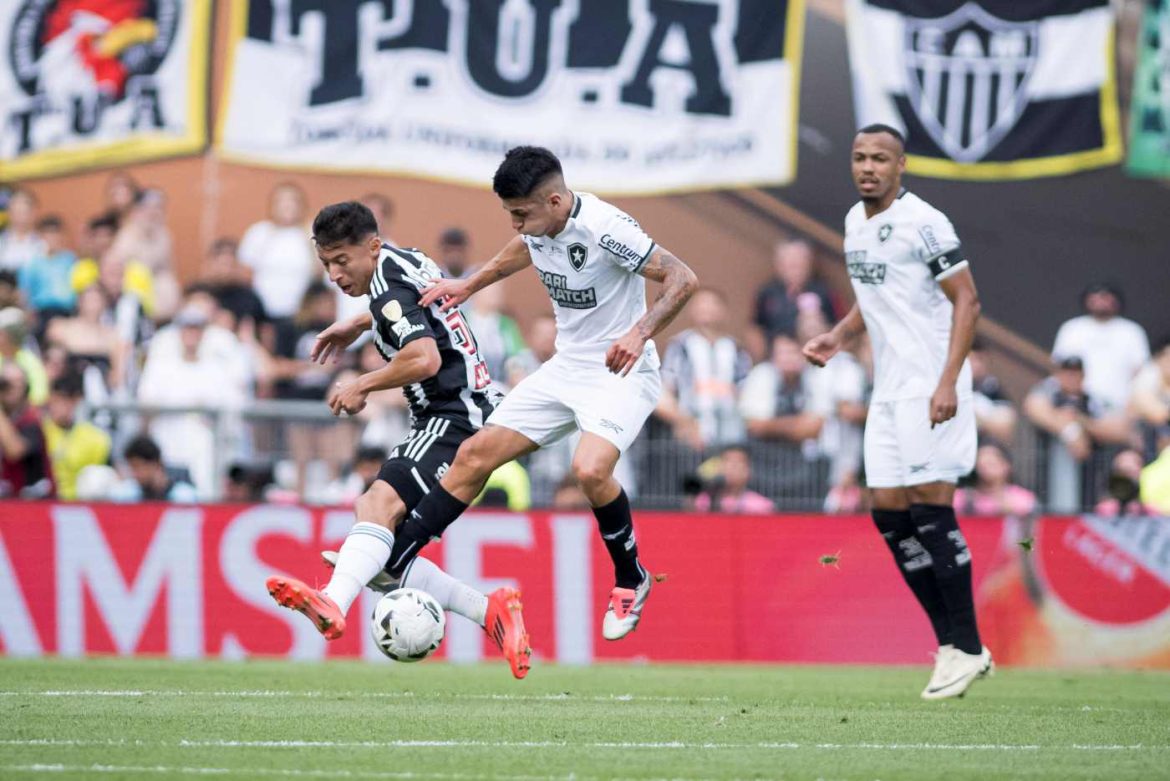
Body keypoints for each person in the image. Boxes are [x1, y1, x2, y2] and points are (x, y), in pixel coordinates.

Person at [387, 146, 698, 641]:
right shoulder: (539, 228)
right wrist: (471, 284)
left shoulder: (606, 228)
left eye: (520, 214)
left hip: (622, 370)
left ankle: (630, 577)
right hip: (566, 368)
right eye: (509, 213)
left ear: (555, 201)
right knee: (475, 454)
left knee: (590, 469)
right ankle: (398, 556)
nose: (514, 224)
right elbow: (523, 250)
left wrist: (639, 334)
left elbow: (682, 278)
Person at [264, 201, 531, 679]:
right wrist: (361, 321)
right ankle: (490, 611)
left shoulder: (385, 289)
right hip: (456, 413)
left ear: (371, 246)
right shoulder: (404, 259)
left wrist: (362, 383)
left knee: (377, 511)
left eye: (342, 261)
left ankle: (333, 598)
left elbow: (424, 358)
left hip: (453, 417)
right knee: (378, 539)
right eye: (326, 264)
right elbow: (411, 303)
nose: (334, 275)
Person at [802, 124, 992, 700]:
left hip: (929, 388)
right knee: (888, 514)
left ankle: (970, 645)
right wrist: (838, 335)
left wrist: (948, 381)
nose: (868, 167)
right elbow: (875, 293)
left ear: (901, 165)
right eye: (860, 157)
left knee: (931, 510)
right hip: (887, 393)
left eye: (880, 159)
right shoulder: (854, 223)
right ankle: (953, 648)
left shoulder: (925, 222)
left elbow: (968, 300)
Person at [656, 287, 751, 452]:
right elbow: (666, 388)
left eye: (712, 304)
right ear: (691, 311)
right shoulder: (679, 346)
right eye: (700, 304)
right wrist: (683, 422)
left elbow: (746, 389)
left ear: (724, 311)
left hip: (732, 436)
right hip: (689, 436)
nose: (706, 308)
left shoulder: (736, 348)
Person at [1052, 283, 1149, 414]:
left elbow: (1140, 372)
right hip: (1074, 401)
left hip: (1116, 405)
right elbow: (1059, 366)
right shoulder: (1072, 328)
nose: (1100, 301)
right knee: (1039, 400)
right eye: (1095, 296)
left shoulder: (1131, 331)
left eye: (1105, 296)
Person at [239, 182, 317, 327]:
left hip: (301, 317)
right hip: (263, 317)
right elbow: (245, 274)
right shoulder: (258, 232)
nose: (287, 206)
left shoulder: (313, 232)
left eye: (292, 201)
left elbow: (320, 273)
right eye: (281, 201)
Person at [748, 239, 836, 360]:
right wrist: (761, 358)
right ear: (779, 265)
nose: (795, 269)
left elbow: (839, 325)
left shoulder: (824, 292)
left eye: (799, 264)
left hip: (815, 357)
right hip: (777, 359)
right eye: (790, 264)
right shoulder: (767, 293)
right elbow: (755, 328)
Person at [43, 372, 112, 501]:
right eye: (56, 399)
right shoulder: (39, 430)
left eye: (67, 400)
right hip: (40, 501)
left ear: (78, 400)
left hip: (80, 503)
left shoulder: (97, 439)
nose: (61, 406)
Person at [0, 362, 53, 499]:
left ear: (26, 386)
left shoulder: (32, 418)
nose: (9, 388)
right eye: (5, 382)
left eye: (16, 382)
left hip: (34, 500)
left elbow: (15, 451)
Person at [953, 442, 1036, 518]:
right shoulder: (959, 497)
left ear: (1006, 466)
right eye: (981, 464)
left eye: (991, 463)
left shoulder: (1023, 498)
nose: (985, 469)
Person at [109, 434, 198, 503]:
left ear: (157, 464)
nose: (135, 473)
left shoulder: (184, 496)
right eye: (132, 468)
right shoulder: (127, 494)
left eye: (138, 466)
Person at [692, 444, 774, 514]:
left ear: (749, 471)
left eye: (738, 463)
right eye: (727, 461)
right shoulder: (703, 502)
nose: (732, 467)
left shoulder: (760, 506)